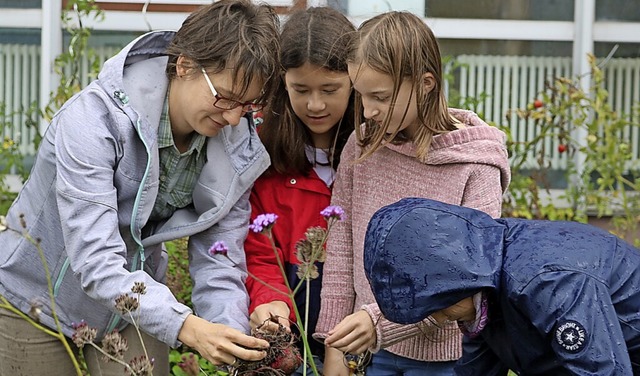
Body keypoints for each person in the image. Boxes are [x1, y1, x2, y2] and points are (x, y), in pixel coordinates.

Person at [0, 1, 280, 375]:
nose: (232, 117)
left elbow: (219, 260)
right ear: (184, 65)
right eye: (225, 97)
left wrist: (231, 336)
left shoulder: (235, 149)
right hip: (34, 299)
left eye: (246, 105)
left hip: (135, 305)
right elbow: (96, 261)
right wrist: (188, 327)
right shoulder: (92, 122)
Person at [313, 10, 512, 376]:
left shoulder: (475, 163)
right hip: (365, 352)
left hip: (451, 357)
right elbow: (341, 245)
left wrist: (378, 323)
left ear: (425, 83)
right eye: (361, 95)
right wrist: (333, 340)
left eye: (381, 97)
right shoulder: (361, 147)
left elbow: (468, 280)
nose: (368, 111)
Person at [364, 197, 640, 375]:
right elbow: (476, 369)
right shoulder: (482, 281)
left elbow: (599, 370)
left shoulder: (546, 282)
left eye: (436, 307)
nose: (435, 318)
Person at [243, 7, 356, 374]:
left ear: (355, 80)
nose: (316, 105)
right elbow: (261, 255)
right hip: (295, 335)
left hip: (365, 335)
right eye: (301, 90)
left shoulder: (376, 152)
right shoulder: (263, 154)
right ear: (282, 82)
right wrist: (271, 304)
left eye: (330, 89)